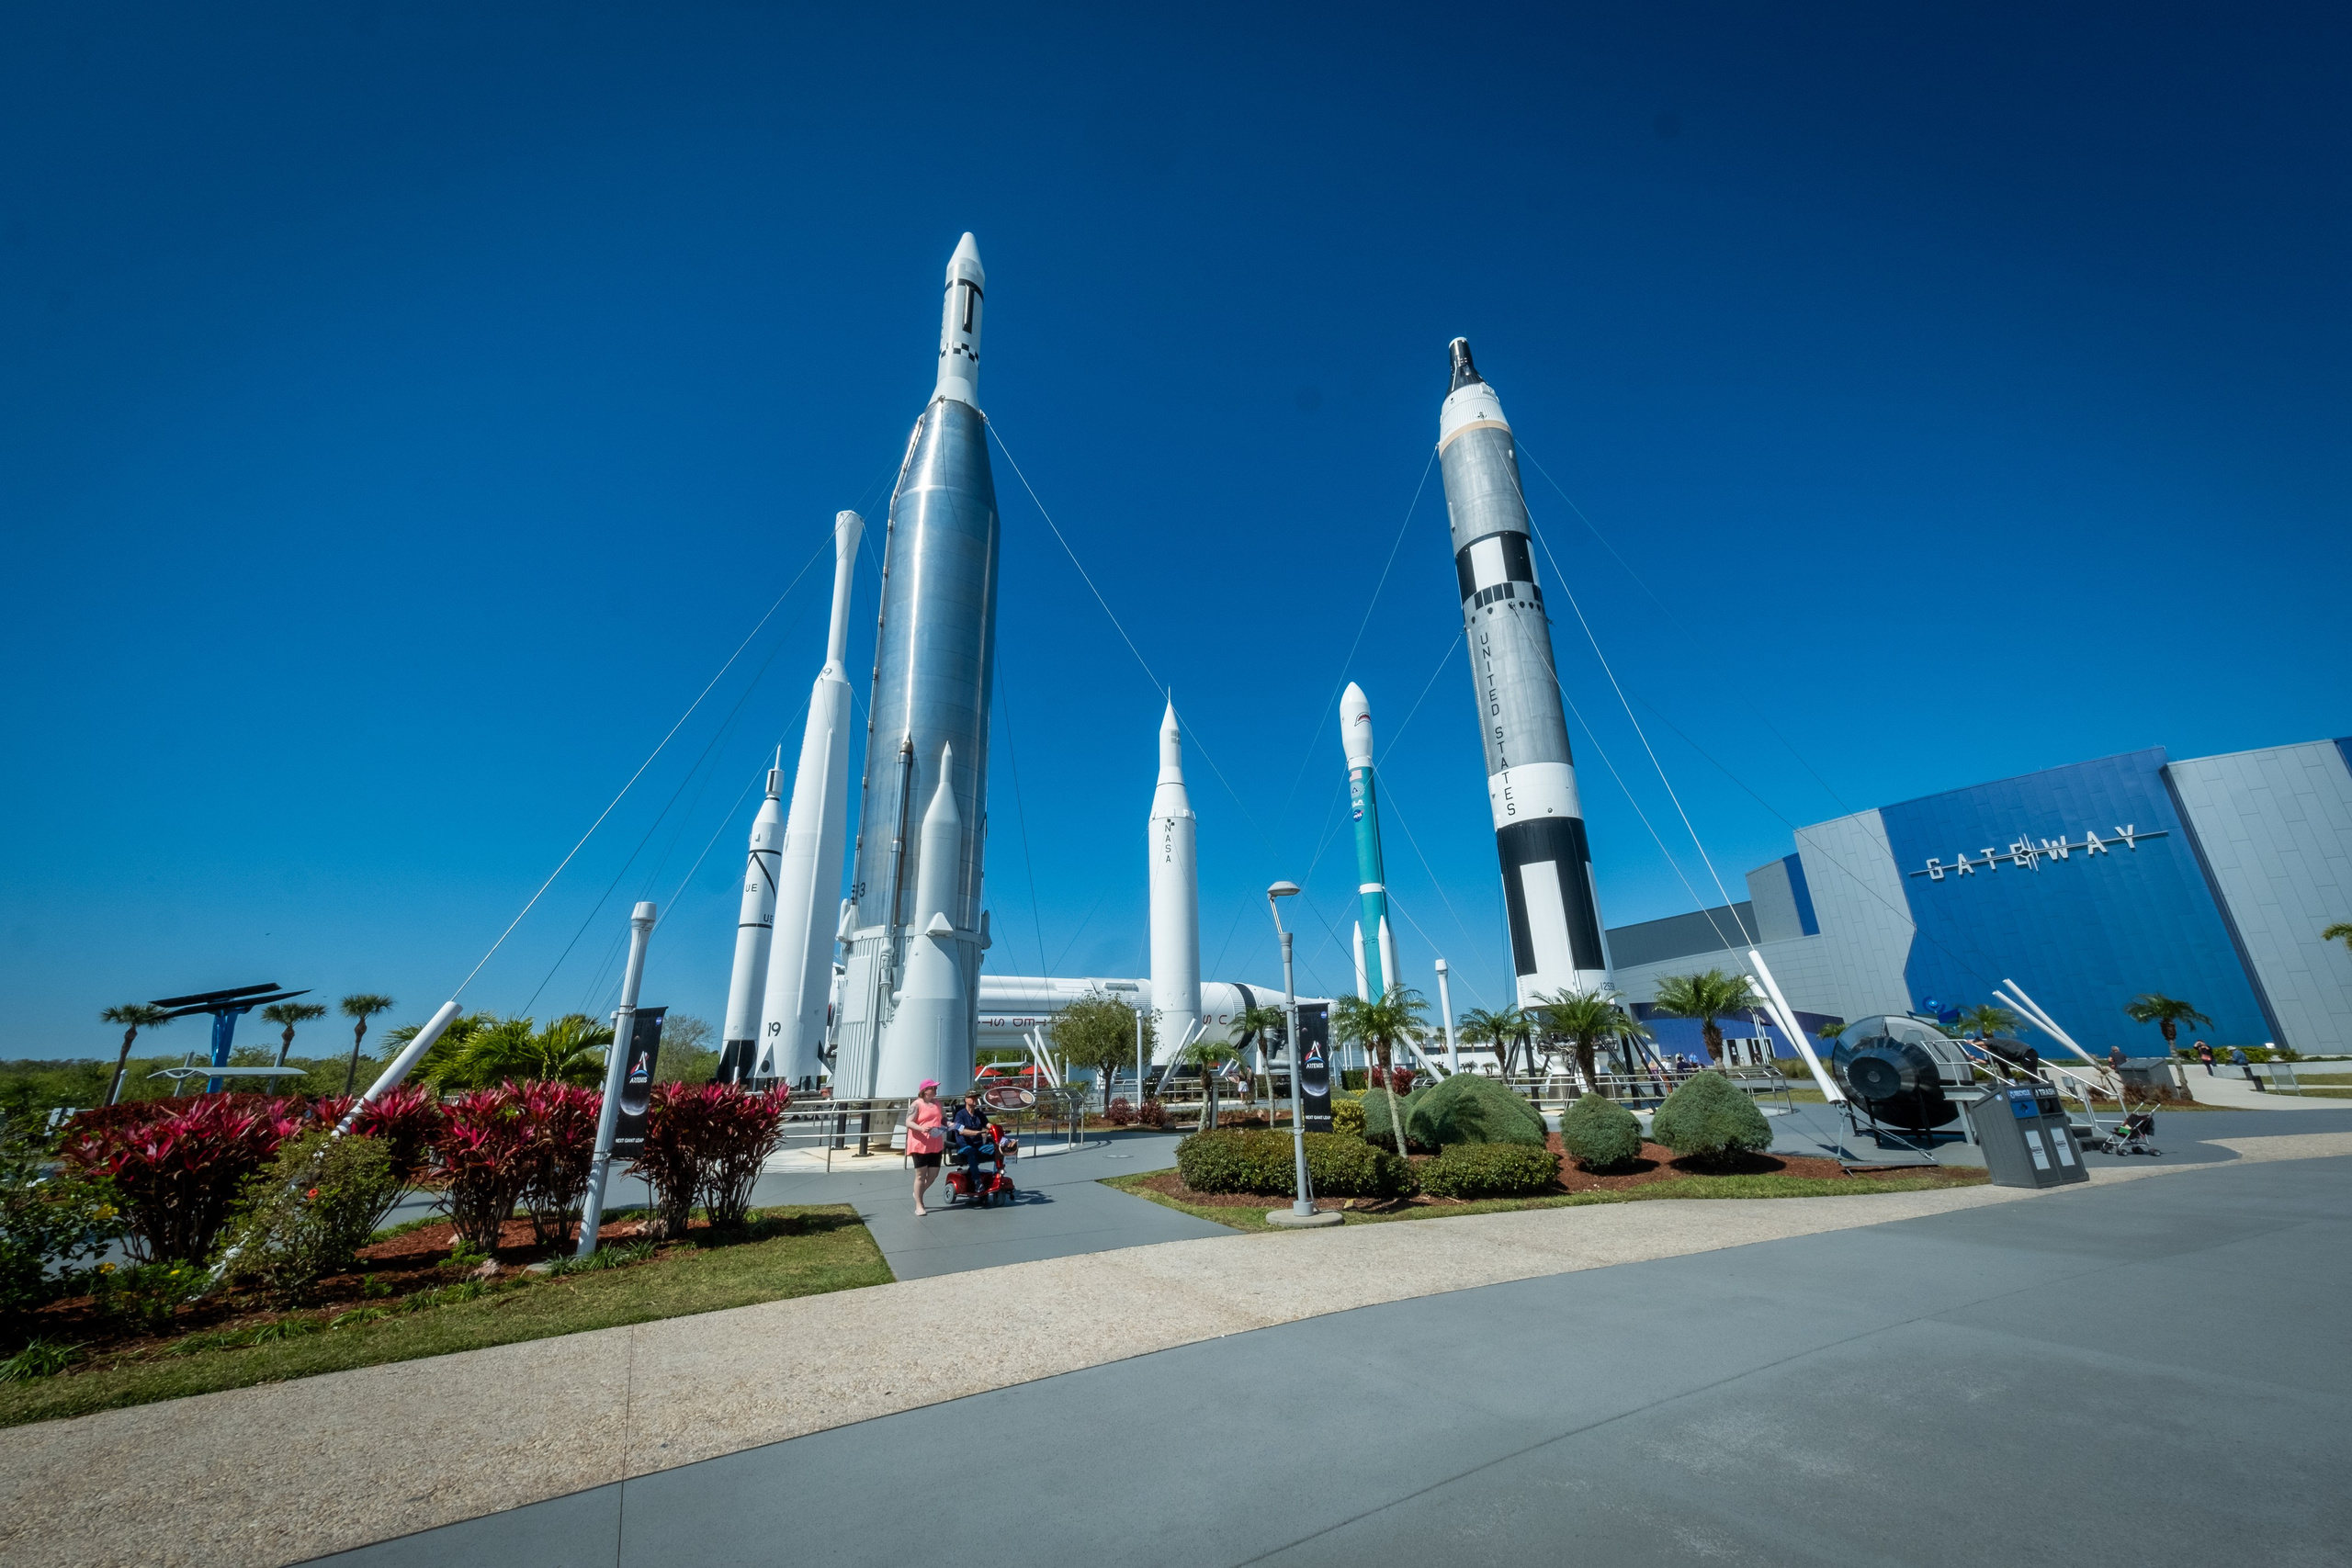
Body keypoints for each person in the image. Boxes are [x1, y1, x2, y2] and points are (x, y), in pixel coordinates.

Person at [906, 1080, 944, 1215]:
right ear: (925, 1090)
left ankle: (918, 1193)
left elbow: (943, 1119)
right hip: (920, 1144)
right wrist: (922, 1128)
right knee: (920, 1175)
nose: (935, 1089)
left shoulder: (938, 1103)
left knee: (933, 1175)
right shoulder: (916, 1105)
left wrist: (949, 1123)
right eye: (933, 1088)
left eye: (935, 1087)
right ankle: (919, 1204)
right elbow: (908, 1122)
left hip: (935, 1143)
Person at [951, 1089, 992, 1196]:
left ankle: (997, 1176)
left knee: (998, 1148)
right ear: (966, 1100)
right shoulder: (960, 1115)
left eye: (976, 1098)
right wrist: (979, 1132)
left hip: (979, 1146)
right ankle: (977, 1181)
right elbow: (962, 1131)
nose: (975, 1100)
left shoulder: (979, 1114)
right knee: (971, 1151)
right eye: (972, 1097)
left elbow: (988, 1125)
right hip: (965, 1147)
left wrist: (996, 1129)